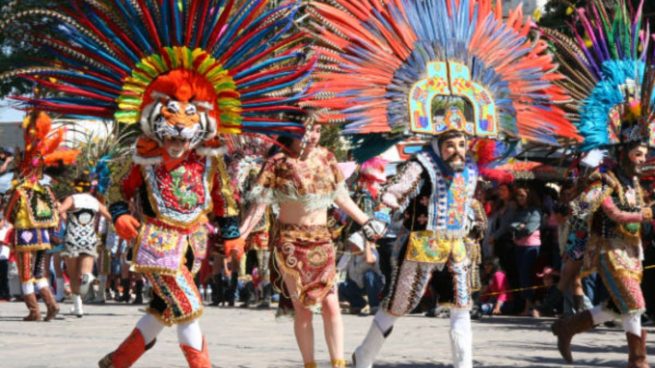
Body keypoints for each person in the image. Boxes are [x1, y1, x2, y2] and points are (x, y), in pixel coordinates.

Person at [305, 1, 579, 367]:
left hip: (456, 248)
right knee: (397, 306)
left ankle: (462, 363)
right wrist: (373, 224)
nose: (456, 149)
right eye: (450, 143)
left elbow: (469, 203)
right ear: (437, 142)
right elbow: (394, 193)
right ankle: (363, 357)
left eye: (462, 143)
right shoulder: (423, 164)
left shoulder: (469, 169)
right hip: (420, 246)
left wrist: (475, 221)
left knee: (461, 308)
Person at [546, 1, 654, 366]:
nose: (643, 158)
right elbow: (600, 210)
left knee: (615, 307)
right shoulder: (603, 176)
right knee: (635, 307)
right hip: (608, 250)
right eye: (637, 153)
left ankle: (568, 327)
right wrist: (644, 213)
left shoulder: (634, 181)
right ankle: (638, 361)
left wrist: (643, 211)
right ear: (623, 152)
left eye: (645, 153)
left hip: (633, 252)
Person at [240, 124, 383, 368]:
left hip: (322, 241)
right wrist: (239, 235)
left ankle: (338, 363)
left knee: (331, 304)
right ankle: (310, 364)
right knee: (304, 308)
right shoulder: (278, 162)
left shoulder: (326, 157)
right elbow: (259, 206)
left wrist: (366, 221)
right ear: (293, 131)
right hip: (290, 243)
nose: (313, 136)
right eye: (307, 130)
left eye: (317, 129)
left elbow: (341, 197)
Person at [3, 112, 78, 321]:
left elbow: (8, 214)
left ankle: (34, 310)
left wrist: (11, 223)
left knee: (26, 273)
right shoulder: (45, 190)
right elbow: (55, 213)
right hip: (43, 237)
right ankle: (51, 304)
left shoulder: (21, 189)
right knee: (39, 272)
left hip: (25, 236)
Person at [58, 177, 111, 317]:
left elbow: (60, 210)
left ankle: (78, 306)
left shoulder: (72, 198)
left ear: (76, 187)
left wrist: (59, 209)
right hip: (89, 238)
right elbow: (108, 216)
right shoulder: (95, 201)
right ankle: (88, 277)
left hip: (72, 238)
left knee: (73, 274)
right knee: (84, 272)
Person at [510, 186, 542, 317]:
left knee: (527, 275)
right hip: (519, 245)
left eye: (522, 195)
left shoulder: (535, 211)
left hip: (531, 246)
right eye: (518, 195)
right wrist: (519, 227)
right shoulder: (519, 211)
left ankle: (530, 305)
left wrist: (519, 228)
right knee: (521, 276)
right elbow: (511, 224)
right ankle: (526, 305)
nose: (519, 198)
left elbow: (530, 228)